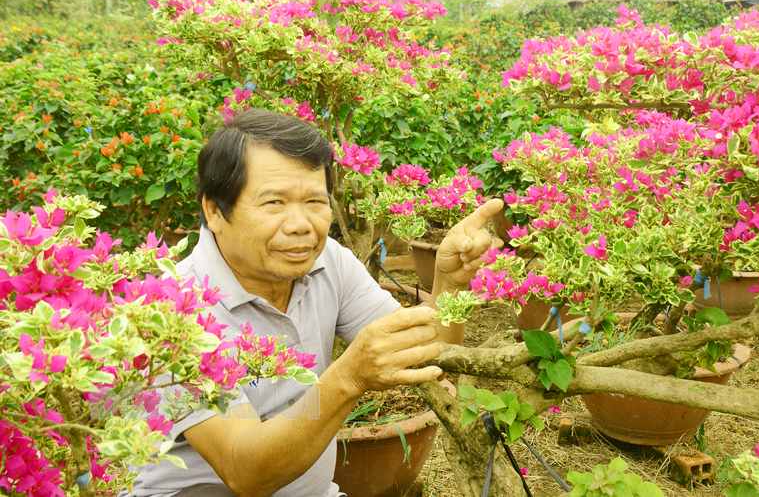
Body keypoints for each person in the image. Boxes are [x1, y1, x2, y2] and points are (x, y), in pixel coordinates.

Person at [123, 108, 503, 497]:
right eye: (274, 203)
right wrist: (348, 378)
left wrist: (451, 285)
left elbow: (424, 355)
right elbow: (244, 472)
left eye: (315, 202)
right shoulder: (173, 309)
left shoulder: (327, 262)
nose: (301, 224)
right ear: (215, 211)